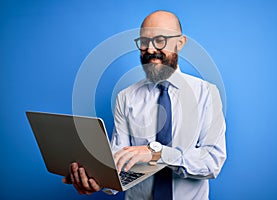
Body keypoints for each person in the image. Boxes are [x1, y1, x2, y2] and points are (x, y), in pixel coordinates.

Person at [63, 10, 226, 200]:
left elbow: (212, 162)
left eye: (159, 41)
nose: (149, 50)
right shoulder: (126, 97)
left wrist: (157, 154)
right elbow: (119, 163)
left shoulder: (206, 93)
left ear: (179, 43)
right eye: (144, 42)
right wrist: (101, 181)